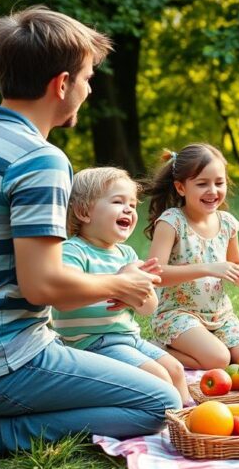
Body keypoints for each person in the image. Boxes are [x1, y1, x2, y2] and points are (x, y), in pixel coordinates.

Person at [0, 7, 181, 469]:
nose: (89, 88)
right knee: (159, 403)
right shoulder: (39, 159)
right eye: (87, 77)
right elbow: (43, 287)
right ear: (61, 84)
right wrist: (120, 284)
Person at [52, 167, 192, 405]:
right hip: (91, 343)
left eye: (133, 205)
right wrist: (119, 282)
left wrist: (138, 295)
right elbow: (66, 296)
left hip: (129, 337)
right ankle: (170, 421)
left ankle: (188, 416)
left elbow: (149, 308)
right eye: (118, 201)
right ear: (83, 212)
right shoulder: (73, 250)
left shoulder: (127, 254)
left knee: (176, 370)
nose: (128, 209)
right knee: (158, 376)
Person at [144, 144, 239, 370]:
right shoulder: (171, 222)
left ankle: (204, 346)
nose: (213, 190)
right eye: (202, 184)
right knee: (218, 360)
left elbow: (236, 263)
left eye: (219, 183)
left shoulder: (227, 222)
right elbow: (155, 274)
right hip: (177, 314)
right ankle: (157, 350)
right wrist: (208, 268)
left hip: (220, 314)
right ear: (181, 188)